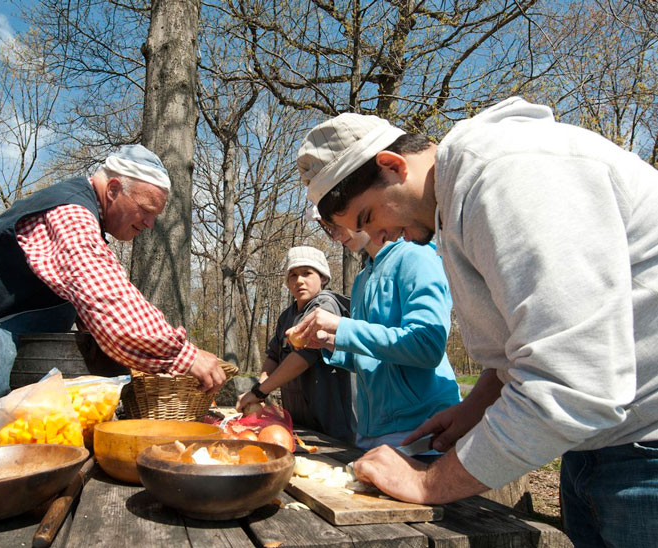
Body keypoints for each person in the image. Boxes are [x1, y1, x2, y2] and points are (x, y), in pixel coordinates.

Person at [293, 100, 658, 547]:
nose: (379, 236)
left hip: (646, 451)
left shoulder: (508, 173)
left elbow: (576, 378)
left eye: (369, 218)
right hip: (593, 449)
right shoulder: (455, 207)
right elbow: (523, 346)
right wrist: (477, 406)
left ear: (391, 166)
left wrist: (430, 483)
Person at [0, 144, 225, 456]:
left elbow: (96, 318)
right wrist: (185, 356)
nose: (149, 224)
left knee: (6, 465)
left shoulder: (87, 219)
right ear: (114, 188)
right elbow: (109, 301)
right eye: (145, 210)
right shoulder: (70, 213)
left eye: (155, 216)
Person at [297, 207, 460, 450]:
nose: (335, 235)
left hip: (422, 430)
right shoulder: (362, 279)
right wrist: (332, 344)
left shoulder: (416, 257)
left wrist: (343, 326)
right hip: (371, 431)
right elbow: (372, 356)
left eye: (336, 223)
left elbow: (427, 345)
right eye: (327, 228)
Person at [235, 246, 354, 443]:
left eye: (307, 273)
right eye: (293, 275)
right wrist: (260, 389)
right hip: (300, 419)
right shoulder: (286, 316)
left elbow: (303, 357)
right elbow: (273, 356)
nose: (299, 281)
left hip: (331, 421)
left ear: (323, 278)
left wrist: (259, 391)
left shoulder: (325, 306)